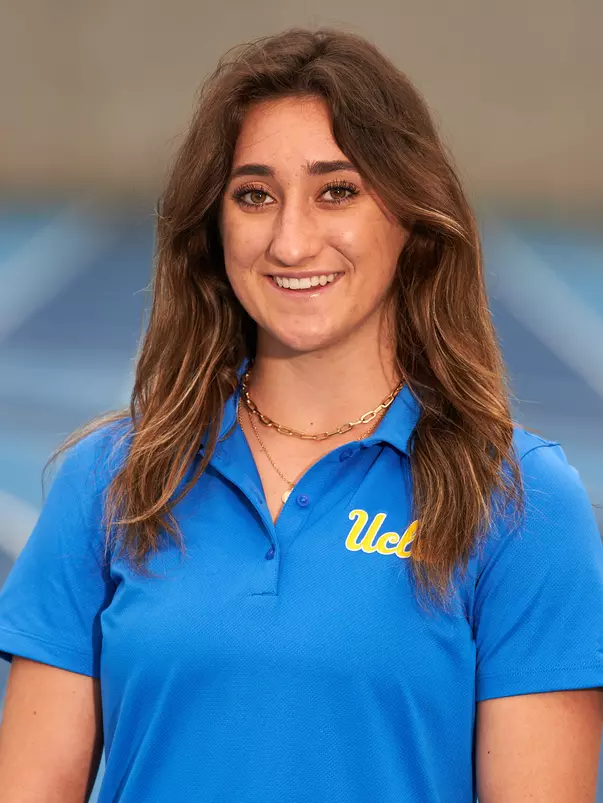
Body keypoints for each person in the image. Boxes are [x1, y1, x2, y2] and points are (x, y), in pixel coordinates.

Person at [0, 26, 602, 803]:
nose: (290, 242)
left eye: (336, 191)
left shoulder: (520, 501)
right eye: (254, 195)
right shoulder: (110, 482)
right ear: (215, 228)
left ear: (410, 216)